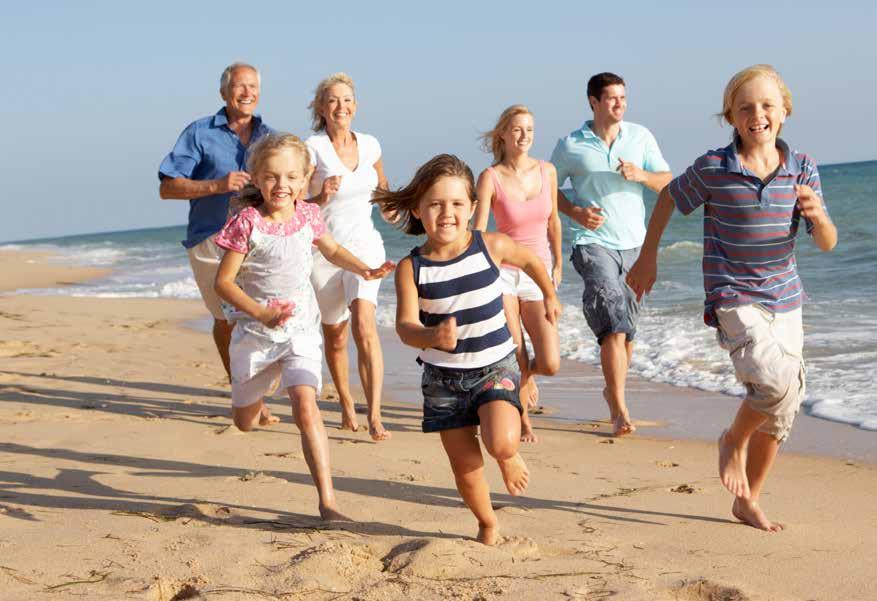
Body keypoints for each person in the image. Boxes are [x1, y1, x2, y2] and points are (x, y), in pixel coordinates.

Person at [627, 65, 837, 531]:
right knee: (773, 382)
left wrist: (819, 218)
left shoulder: (802, 167)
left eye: (766, 105)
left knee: (785, 407)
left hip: (786, 296)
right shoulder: (713, 168)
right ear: (730, 117)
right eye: (745, 107)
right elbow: (667, 198)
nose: (756, 114)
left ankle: (749, 499)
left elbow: (826, 242)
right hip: (733, 294)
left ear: (784, 111)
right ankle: (732, 441)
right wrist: (648, 258)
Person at [373, 154, 561, 545]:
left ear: (473, 208)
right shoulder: (413, 268)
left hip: (495, 367)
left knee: (500, 442)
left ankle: (509, 456)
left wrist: (548, 294)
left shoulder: (490, 246)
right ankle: (487, 522)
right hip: (442, 380)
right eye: (436, 204)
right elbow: (406, 327)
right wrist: (431, 337)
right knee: (465, 465)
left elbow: (530, 260)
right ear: (418, 210)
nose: (447, 213)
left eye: (457, 204)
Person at [213, 133, 394, 520]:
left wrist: (364, 268)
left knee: (306, 405)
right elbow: (223, 283)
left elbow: (330, 250)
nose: (282, 186)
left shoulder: (309, 214)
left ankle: (327, 502)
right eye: (273, 177)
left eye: (292, 177)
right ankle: (259, 391)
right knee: (244, 423)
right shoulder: (247, 222)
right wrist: (261, 314)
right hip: (256, 335)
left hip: (300, 331)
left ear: (305, 177)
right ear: (257, 178)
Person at [550, 72, 672, 436]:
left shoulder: (640, 136)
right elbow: (547, 189)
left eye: (623, 97)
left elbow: (667, 180)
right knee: (613, 326)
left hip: (635, 245)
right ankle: (619, 409)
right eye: (612, 98)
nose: (620, 104)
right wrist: (574, 212)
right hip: (592, 244)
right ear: (593, 101)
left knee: (627, 331)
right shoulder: (571, 144)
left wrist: (641, 176)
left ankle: (613, 387)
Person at [159, 62, 277, 425]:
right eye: (240, 86)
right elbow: (167, 187)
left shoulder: (269, 137)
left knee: (257, 320)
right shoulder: (199, 133)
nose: (248, 93)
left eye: (253, 86)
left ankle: (254, 394)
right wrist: (217, 184)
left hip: (256, 241)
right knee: (225, 321)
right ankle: (242, 392)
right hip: (211, 239)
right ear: (224, 93)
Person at [305, 73, 391, 441]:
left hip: (366, 246)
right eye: (332, 100)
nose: (341, 106)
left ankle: (375, 414)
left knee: (364, 326)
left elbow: (383, 193)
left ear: (355, 106)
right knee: (336, 336)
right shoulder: (312, 148)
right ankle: (344, 401)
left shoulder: (370, 145)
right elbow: (295, 205)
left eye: (347, 100)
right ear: (321, 109)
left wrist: (408, 212)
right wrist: (321, 197)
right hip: (323, 252)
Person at [474, 105, 561, 443]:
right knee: (516, 350)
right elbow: (480, 228)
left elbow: (553, 220)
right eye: (517, 129)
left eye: (529, 129)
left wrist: (557, 265)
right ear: (503, 135)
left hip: (537, 271)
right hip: (503, 274)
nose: (524, 136)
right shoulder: (490, 176)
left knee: (550, 361)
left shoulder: (547, 171)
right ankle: (523, 419)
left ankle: (526, 377)